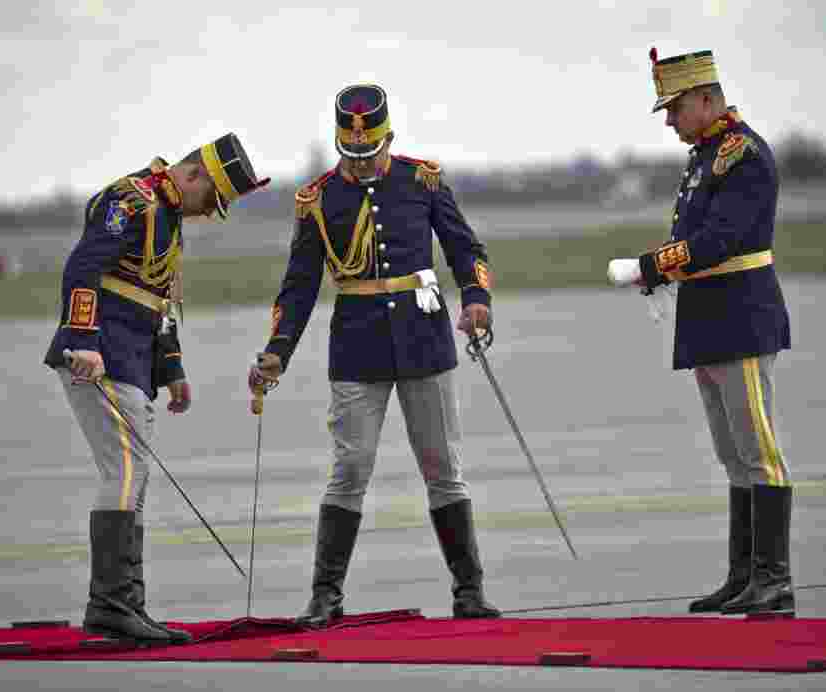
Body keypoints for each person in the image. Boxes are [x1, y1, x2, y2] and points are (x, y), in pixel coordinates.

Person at [248, 84, 500, 627]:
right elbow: (298, 285)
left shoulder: (422, 181)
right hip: (358, 345)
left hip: (424, 340)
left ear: (388, 138)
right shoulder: (318, 200)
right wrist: (278, 351)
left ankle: (469, 591)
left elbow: (465, 250)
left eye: (370, 152)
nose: (362, 164)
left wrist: (476, 300)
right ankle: (325, 595)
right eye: (352, 155)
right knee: (350, 469)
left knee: (443, 469)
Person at [44, 134, 269, 641]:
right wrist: (82, 339)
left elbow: (157, 296)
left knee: (133, 478)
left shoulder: (168, 215)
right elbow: (84, 267)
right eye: (213, 200)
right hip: (99, 356)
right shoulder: (131, 201)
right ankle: (110, 604)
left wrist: (172, 370)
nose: (211, 212)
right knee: (123, 472)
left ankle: (126, 605)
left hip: (132, 361)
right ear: (196, 175)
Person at [607, 49, 794, 615]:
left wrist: (649, 266)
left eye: (676, 107)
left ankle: (775, 581)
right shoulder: (706, 154)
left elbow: (720, 240)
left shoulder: (742, 155)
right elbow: (696, 238)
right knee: (733, 454)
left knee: (759, 451)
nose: (669, 120)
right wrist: (664, 274)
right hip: (710, 315)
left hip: (740, 314)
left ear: (707, 98)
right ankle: (744, 578)